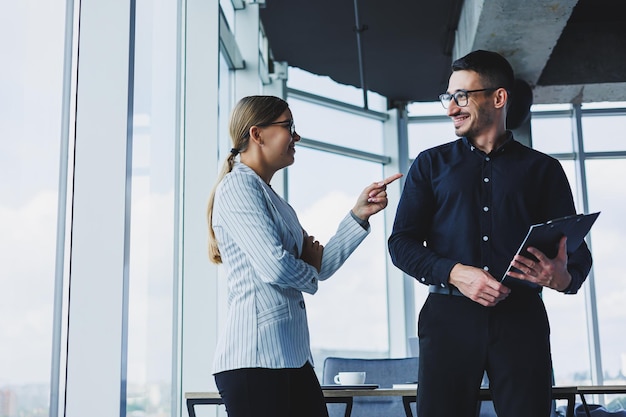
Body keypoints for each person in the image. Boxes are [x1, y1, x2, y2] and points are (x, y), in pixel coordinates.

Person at [388, 50, 592, 417]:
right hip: (446, 319)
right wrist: (454, 272)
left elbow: (577, 255)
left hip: (522, 319)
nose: (451, 108)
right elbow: (400, 244)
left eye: (461, 96)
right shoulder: (429, 164)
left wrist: (562, 278)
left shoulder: (544, 170)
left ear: (498, 98)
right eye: (448, 98)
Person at [207, 95, 402, 417]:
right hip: (256, 362)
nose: (296, 137)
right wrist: (307, 267)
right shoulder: (238, 187)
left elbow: (318, 267)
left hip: (289, 359)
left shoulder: (270, 197)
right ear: (257, 134)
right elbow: (276, 267)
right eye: (288, 127)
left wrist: (358, 215)